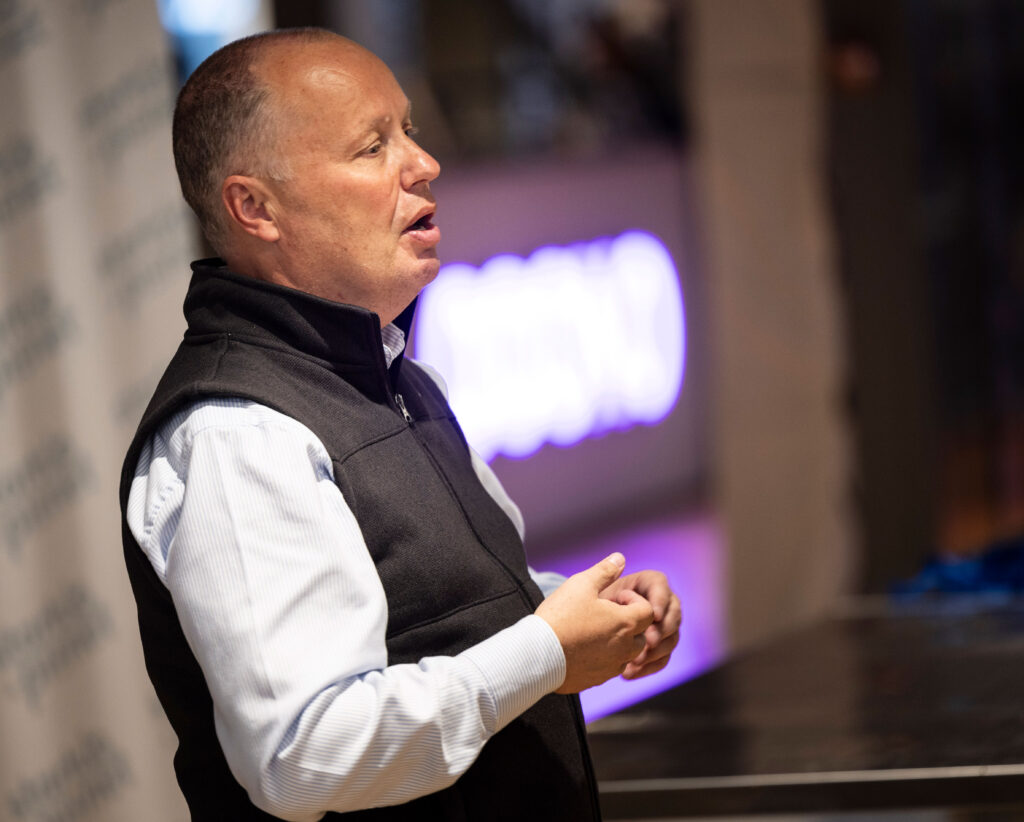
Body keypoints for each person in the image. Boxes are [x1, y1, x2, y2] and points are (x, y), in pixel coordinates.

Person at [119, 27, 681, 821]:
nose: (423, 163)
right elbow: (304, 756)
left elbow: (436, 623)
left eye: (409, 130)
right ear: (254, 207)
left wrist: (588, 609)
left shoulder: (394, 375)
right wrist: (547, 650)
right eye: (372, 146)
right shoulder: (236, 433)